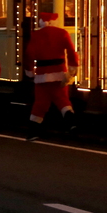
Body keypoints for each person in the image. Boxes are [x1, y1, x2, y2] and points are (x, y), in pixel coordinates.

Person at [23, 11, 78, 140]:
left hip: (42, 75)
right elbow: (71, 51)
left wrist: (29, 71)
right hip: (59, 73)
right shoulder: (63, 33)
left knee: (40, 103)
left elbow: (29, 55)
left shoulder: (35, 35)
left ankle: (33, 131)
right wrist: (72, 68)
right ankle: (72, 124)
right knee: (63, 100)